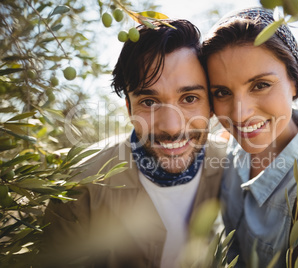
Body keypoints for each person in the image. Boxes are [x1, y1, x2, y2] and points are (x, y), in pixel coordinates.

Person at [43, 19, 227, 267]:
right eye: (149, 102)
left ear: (212, 106)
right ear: (129, 108)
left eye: (189, 98)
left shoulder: (236, 169)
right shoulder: (80, 185)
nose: (171, 127)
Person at [201, 7, 298, 268]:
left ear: (294, 81)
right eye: (222, 92)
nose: (240, 113)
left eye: (260, 85)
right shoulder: (229, 143)